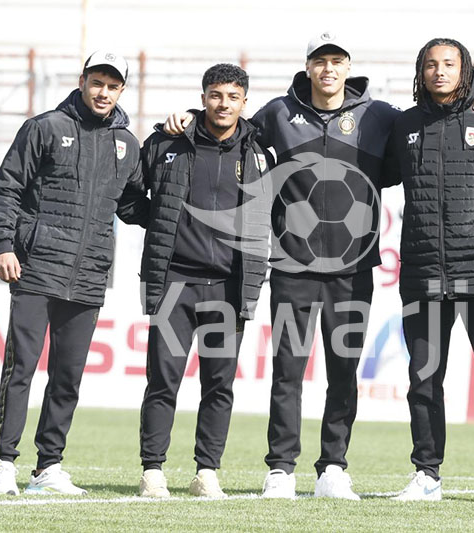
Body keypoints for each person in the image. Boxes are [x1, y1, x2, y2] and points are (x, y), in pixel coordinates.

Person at [165, 32, 474, 500]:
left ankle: (333, 468)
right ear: (309, 67)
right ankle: (280, 468)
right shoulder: (279, 113)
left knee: (343, 371)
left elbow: (433, 116)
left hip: (353, 270)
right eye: (321, 61)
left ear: (348, 67)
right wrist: (189, 118)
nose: (329, 70)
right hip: (292, 268)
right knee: (288, 371)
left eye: (337, 61)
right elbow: (230, 130)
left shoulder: (378, 116)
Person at [0, 50, 148, 495]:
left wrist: (178, 211)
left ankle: (48, 467)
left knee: (68, 375)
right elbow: (7, 189)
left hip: (89, 273)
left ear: (121, 91)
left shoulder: (127, 144)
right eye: (97, 82)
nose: (104, 92)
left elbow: (134, 205)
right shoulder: (45, 127)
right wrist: (3, 245)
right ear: (82, 82)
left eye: (113, 86)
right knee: (21, 369)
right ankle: (5, 462)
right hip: (35, 267)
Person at [384, 38, 474, 504]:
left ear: (465, 69)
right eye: (431, 64)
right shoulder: (404, 125)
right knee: (424, 379)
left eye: (449, 64)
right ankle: (426, 474)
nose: (439, 71)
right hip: (424, 273)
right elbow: (372, 171)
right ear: (420, 71)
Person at [136, 64, 271, 499]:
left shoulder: (260, 152)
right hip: (175, 282)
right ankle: (153, 471)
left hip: (228, 287)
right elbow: (130, 195)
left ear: (244, 102)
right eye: (216, 95)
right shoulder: (166, 142)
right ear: (203, 97)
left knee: (219, 385)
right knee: (163, 381)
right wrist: (161, 224)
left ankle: (206, 471)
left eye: (233, 96)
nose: (223, 104)